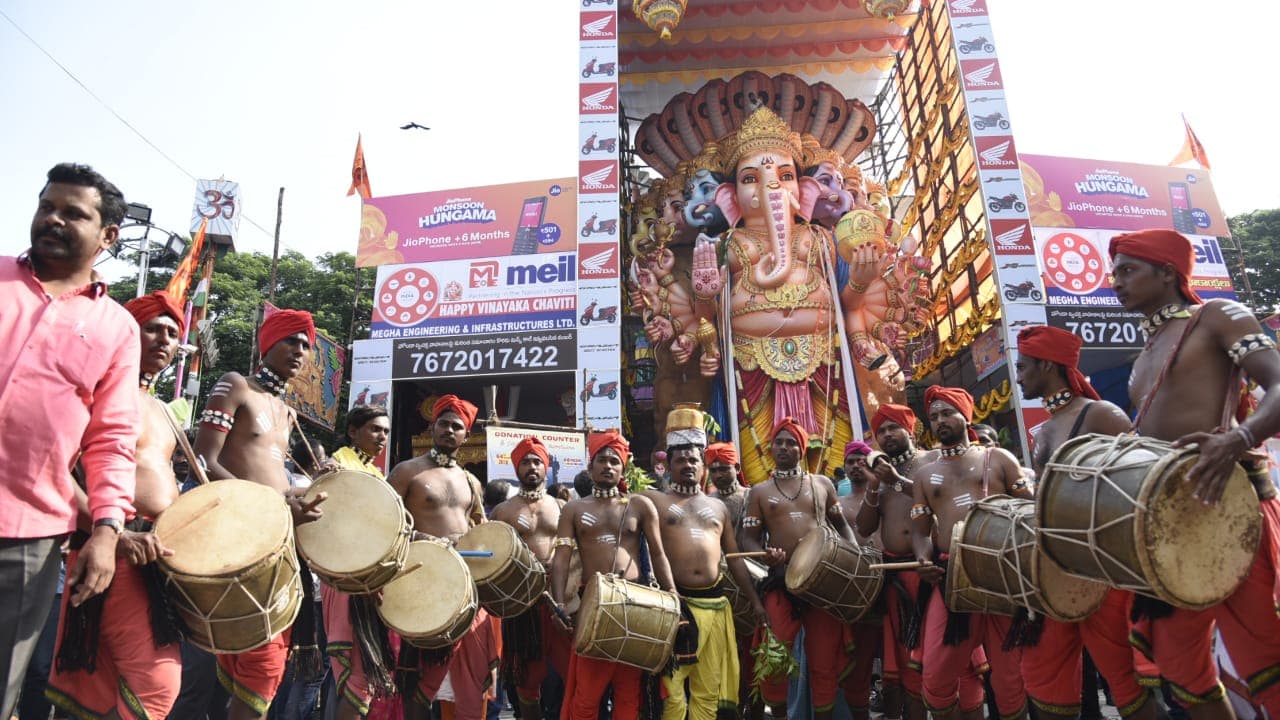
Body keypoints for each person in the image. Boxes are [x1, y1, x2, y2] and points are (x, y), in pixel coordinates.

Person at [1112, 228, 1280, 718]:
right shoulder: (1143, 354)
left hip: (1231, 507)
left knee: (1266, 654)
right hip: (1173, 522)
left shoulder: (1217, 316)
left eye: (1128, 270)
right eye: (1115, 271)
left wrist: (1239, 438)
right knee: (1177, 660)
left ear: (1167, 273)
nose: (1115, 282)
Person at [0, 163, 141, 719]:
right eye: (46, 206)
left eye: (72, 213)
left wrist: (107, 530)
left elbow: (112, 439)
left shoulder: (117, 327)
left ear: (108, 236)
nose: (52, 219)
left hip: (28, 540)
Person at [44, 291, 187, 718]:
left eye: (173, 333)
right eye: (153, 329)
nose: (164, 339)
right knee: (158, 684)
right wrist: (114, 533)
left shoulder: (165, 410)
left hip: (156, 558)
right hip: (113, 550)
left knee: (102, 687)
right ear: (127, 332)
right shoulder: (95, 388)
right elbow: (54, 471)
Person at [1012, 324, 1157, 720]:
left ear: (1046, 365)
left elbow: (1140, 485)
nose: (1019, 375)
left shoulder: (1101, 414)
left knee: (1125, 680)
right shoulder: (1046, 429)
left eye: (1024, 367)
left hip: (1103, 572)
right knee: (1042, 677)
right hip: (1056, 573)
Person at [194, 308, 327, 720]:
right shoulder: (236, 385)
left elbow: (276, 477)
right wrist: (265, 506)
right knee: (238, 666)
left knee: (265, 664)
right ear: (267, 343)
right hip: (236, 537)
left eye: (305, 345)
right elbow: (202, 461)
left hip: (276, 542)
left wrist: (314, 488)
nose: (300, 351)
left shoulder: (287, 412)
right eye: (291, 340)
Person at [910, 386, 1033, 720]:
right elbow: (920, 534)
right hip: (951, 580)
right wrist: (923, 559)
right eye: (933, 416)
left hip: (1002, 577)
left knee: (1010, 678)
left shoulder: (999, 459)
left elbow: (1031, 513)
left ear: (966, 414)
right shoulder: (923, 475)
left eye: (947, 412)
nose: (940, 421)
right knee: (935, 674)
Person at [644, 410, 766, 720]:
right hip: (677, 607)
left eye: (694, 460)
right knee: (671, 692)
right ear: (669, 466)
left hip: (716, 606)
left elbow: (734, 559)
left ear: (704, 468)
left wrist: (755, 602)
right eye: (680, 460)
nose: (687, 465)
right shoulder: (654, 501)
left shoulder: (718, 507)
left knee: (707, 691)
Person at [549, 430, 677, 720]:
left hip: (635, 604)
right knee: (587, 695)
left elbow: (658, 554)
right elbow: (561, 560)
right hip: (593, 605)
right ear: (591, 466)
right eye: (602, 460)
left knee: (628, 692)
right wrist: (558, 603)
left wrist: (673, 595)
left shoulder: (640, 505)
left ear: (623, 468)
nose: (608, 466)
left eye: (614, 461)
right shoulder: (573, 509)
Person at [739, 417, 858, 720]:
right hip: (781, 583)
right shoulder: (759, 492)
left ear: (802, 449)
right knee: (774, 661)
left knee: (823, 663)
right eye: (778, 441)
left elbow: (842, 527)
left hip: (821, 584)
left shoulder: (822, 485)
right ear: (771, 448)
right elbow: (747, 539)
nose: (783, 447)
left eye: (790, 442)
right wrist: (764, 554)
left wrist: (853, 558)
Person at [388, 395, 497, 720]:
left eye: (458, 427)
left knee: (469, 676)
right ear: (433, 426)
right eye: (444, 424)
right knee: (416, 677)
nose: (450, 430)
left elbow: (481, 528)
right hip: (420, 579)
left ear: (466, 436)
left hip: (462, 584)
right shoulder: (407, 471)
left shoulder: (470, 481)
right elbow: (383, 523)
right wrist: (423, 540)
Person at [853, 404, 937, 720]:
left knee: (939, 655)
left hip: (930, 573)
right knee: (903, 661)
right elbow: (863, 527)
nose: (886, 435)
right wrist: (875, 486)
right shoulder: (880, 477)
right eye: (881, 431)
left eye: (893, 428)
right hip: (895, 579)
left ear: (909, 430)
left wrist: (898, 480)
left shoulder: (931, 461)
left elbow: (934, 499)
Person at [316, 403, 394, 719]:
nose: (383, 437)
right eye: (376, 429)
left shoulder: (375, 474)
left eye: (386, 431)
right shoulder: (337, 466)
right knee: (355, 675)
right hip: (345, 578)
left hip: (369, 580)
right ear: (353, 431)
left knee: (364, 675)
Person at [490, 436, 569, 720]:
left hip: (561, 597)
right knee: (527, 676)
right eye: (525, 462)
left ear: (546, 467)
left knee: (572, 670)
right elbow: (494, 555)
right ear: (516, 469)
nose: (532, 467)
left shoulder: (561, 507)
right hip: (522, 602)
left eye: (537, 461)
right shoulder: (503, 511)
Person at [835, 441, 882, 720]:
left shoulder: (886, 497)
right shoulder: (836, 506)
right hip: (856, 590)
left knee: (898, 662)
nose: (856, 466)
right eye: (851, 461)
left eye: (861, 460)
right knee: (859, 664)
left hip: (892, 582)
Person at [705, 442, 748, 530]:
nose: (718, 475)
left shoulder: (752, 497)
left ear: (737, 468)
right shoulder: (707, 502)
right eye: (713, 471)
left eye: (723, 469)